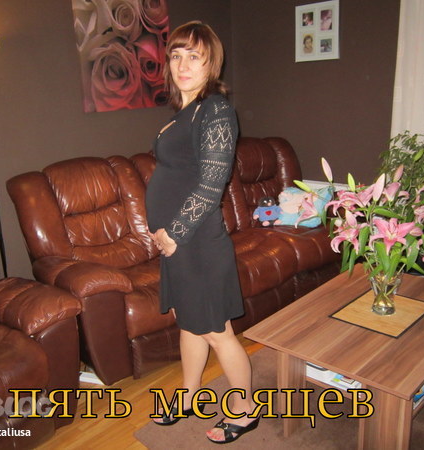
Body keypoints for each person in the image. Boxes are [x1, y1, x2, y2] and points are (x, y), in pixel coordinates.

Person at [145, 21, 259, 444]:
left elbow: (213, 182)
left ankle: (245, 410)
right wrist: (164, 233)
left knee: (216, 331)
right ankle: (189, 396)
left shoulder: (215, 110)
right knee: (189, 324)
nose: (183, 65)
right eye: (176, 56)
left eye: (194, 56)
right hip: (178, 244)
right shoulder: (186, 112)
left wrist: (173, 231)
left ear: (212, 63)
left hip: (195, 242)